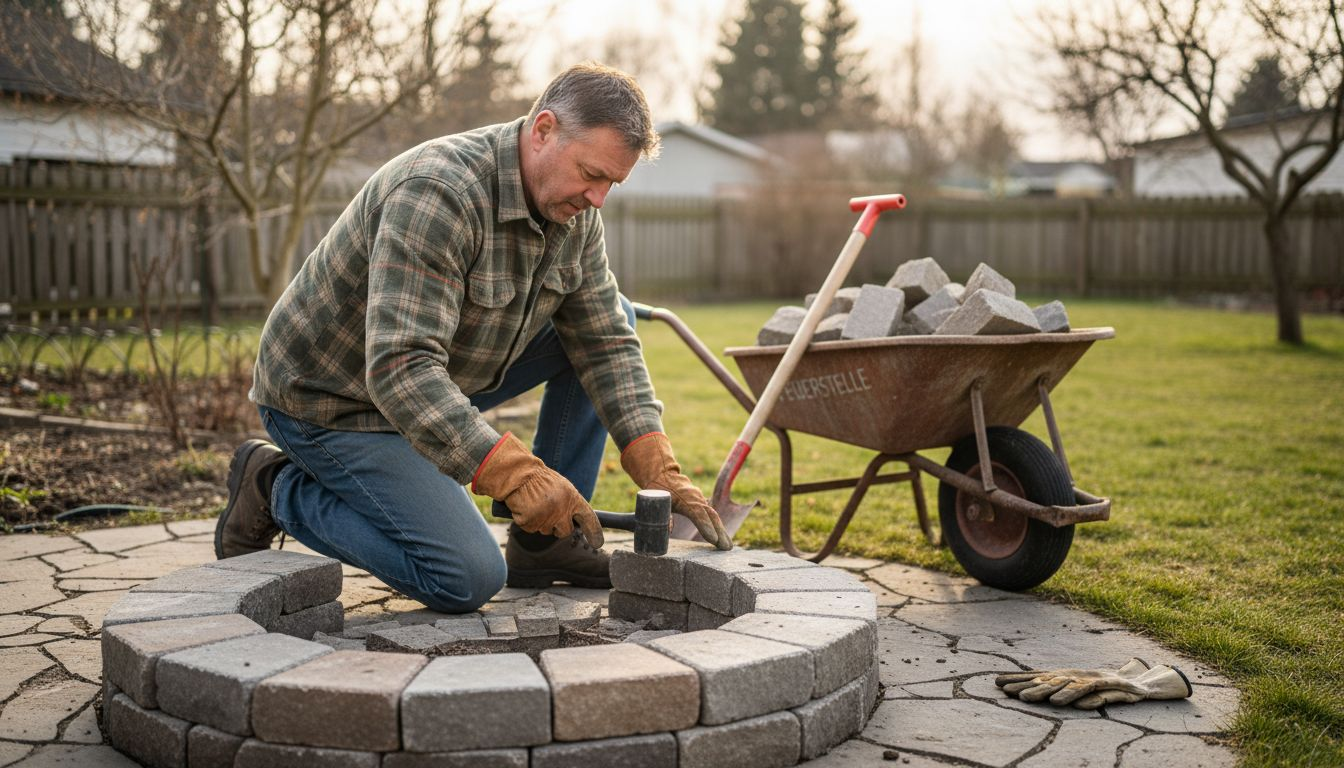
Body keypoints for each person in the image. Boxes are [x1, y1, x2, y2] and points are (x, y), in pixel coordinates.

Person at [215, 63, 730, 614]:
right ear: (543, 130)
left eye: (612, 183)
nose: (599, 198)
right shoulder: (438, 193)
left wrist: (657, 464)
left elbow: (604, 337)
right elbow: (401, 367)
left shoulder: (574, 212)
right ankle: (273, 487)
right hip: (332, 399)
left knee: (617, 315)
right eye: (591, 173)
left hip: (435, 379)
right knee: (465, 576)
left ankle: (546, 546)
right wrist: (513, 474)